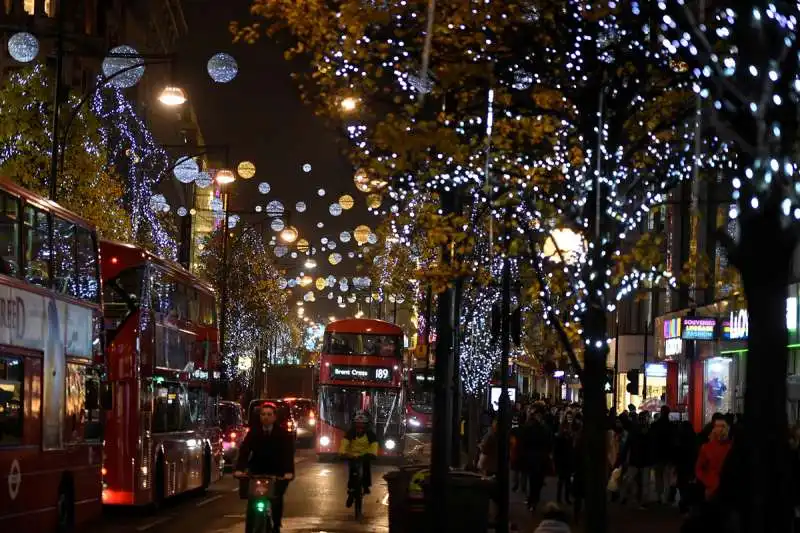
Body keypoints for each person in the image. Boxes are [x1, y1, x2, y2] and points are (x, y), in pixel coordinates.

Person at [234, 402, 295, 533]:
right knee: (252, 502)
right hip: (257, 471)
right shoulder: (253, 432)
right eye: (263, 414)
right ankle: (250, 529)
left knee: (276, 500)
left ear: (274, 417)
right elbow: (244, 451)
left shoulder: (283, 434)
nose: (266, 417)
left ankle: (276, 525)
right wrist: (239, 469)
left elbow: (288, 454)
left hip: (276, 472)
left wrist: (288, 472)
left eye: (269, 414)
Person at [339, 410, 378, 507]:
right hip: (352, 456)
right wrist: (342, 453)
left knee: (366, 468)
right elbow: (344, 444)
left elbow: (374, 445)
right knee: (352, 471)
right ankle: (351, 491)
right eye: (357, 425)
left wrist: (372, 454)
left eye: (362, 425)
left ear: (366, 425)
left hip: (365, 456)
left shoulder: (370, 434)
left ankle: (366, 486)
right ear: (354, 425)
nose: (360, 427)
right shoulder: (350, 433)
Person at [695, 413, 732, 502]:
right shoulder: (708, 447)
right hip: (719, 487)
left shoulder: (730, 447)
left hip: (717, 487)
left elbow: (699, 469)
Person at [650, 405, 676, 504]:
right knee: (667, 477)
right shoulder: (672, 426)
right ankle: (666, 496)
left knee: (658, 476)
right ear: (668, 413)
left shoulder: (655, 425)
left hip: (657, 454)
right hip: (668, 455)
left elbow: (652, 441)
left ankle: (659, 496)